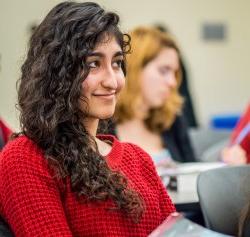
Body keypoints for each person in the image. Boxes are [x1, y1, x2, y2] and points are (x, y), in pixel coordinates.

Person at [0, 2, 175, 236]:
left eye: (116, 63)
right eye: (94, 64)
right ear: (58, 73)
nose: (112, 81)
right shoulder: (25, 158)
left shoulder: (139, 159)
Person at [114, 26, 196, 168]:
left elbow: (194, 169)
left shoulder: (172, 120)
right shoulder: (100, 125)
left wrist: (224, 161)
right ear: (135, 69)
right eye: (163, 71)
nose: (172, 82)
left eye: (175, 73)